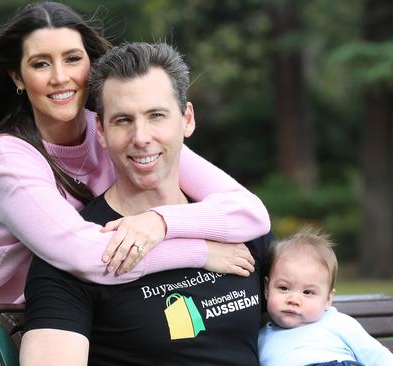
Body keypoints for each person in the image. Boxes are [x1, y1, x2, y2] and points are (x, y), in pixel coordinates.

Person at [0, 2, 270, 365]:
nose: (60, 76)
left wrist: (159, 222)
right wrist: (202, 253)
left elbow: (249, 211)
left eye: (72, 59)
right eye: (41, 63)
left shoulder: (122, 131)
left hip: (75, 313)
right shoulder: (9, 159)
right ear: (17, 77)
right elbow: (87, 256)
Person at [20, 41, 271, 366]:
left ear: (187, 119)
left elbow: (302, 328)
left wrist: (160, 222)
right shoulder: (71, 256)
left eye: (156, 116)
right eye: (123, 120)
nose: (141, 137)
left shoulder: (236, 227)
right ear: (101, 130)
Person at [258, 226, 393, 366]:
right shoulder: (260, 338)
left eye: (308, 292)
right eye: (284, 288)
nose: (294, 300)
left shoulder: (338, 323)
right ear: (266, 288)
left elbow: (379, 358)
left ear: (328, 299)